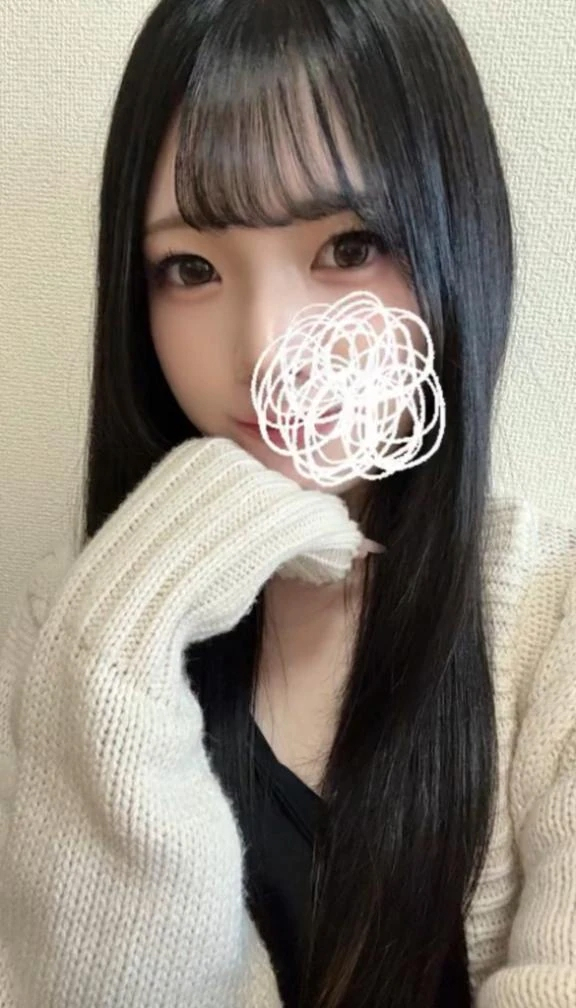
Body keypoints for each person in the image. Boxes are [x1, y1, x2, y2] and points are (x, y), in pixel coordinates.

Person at [0, 0, 575, 1005]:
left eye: (350, 247)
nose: (266, 348)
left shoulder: (555, 627)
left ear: (457, 241)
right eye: (190, 268)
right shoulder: (65, 631)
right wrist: (118, 651)